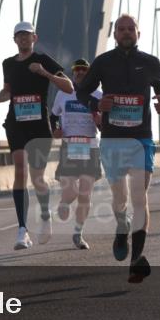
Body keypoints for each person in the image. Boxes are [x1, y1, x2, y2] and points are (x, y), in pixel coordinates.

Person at [76, 14, 160, 283]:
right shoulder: (103, 62)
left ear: (139, 33)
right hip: (113, 138)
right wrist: (96, 106)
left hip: (141, 138)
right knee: (120, 199)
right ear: (114, 34)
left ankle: (136, 259)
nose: (126, 33)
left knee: (139, 197)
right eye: (121, 29)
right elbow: (82, 92)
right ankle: (121, 225)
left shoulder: (150, 63)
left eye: (131, 29)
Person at [0, 21, 73, 250]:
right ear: (14, 40)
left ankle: (45, 215)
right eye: (19, 36)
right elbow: (8, 91)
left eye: (27, 35)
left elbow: (69, 87)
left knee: (37, 178)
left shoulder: (43, 60)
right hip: (16, 123)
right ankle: (22, 229)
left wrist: (44, 73)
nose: (23, 39)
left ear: (34, 38)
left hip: (38, 127)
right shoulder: (8, 64)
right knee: (20, 171)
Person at [50, 58, 103, 250]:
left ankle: (78, 233)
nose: (80, 72)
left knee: (85, 195)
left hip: (90, 147)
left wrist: (99, 122)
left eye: (84, 70)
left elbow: (103, 123)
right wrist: (55, 128)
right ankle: (64, 202)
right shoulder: (64, 93)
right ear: (73, 73)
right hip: (70, 146)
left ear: (89, 73)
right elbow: (54, 116)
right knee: (71, 192)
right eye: (76, 70)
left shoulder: (97, 94)